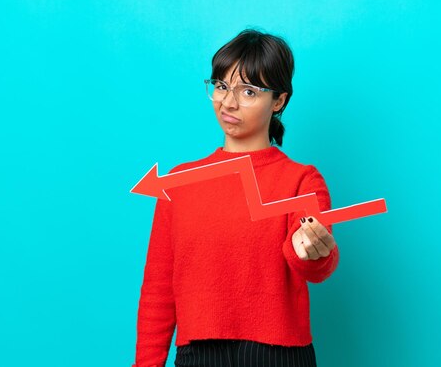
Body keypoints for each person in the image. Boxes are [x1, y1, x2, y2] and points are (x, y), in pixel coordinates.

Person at [132, 28, 339, 367]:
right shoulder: (179, 182)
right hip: (197, 355)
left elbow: (315, 264)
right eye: (221, 86)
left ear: (279, 100)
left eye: (248, 91)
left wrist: (312, 248)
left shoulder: (301, 180)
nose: (229, 102)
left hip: (279, 356)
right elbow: (158, 289)